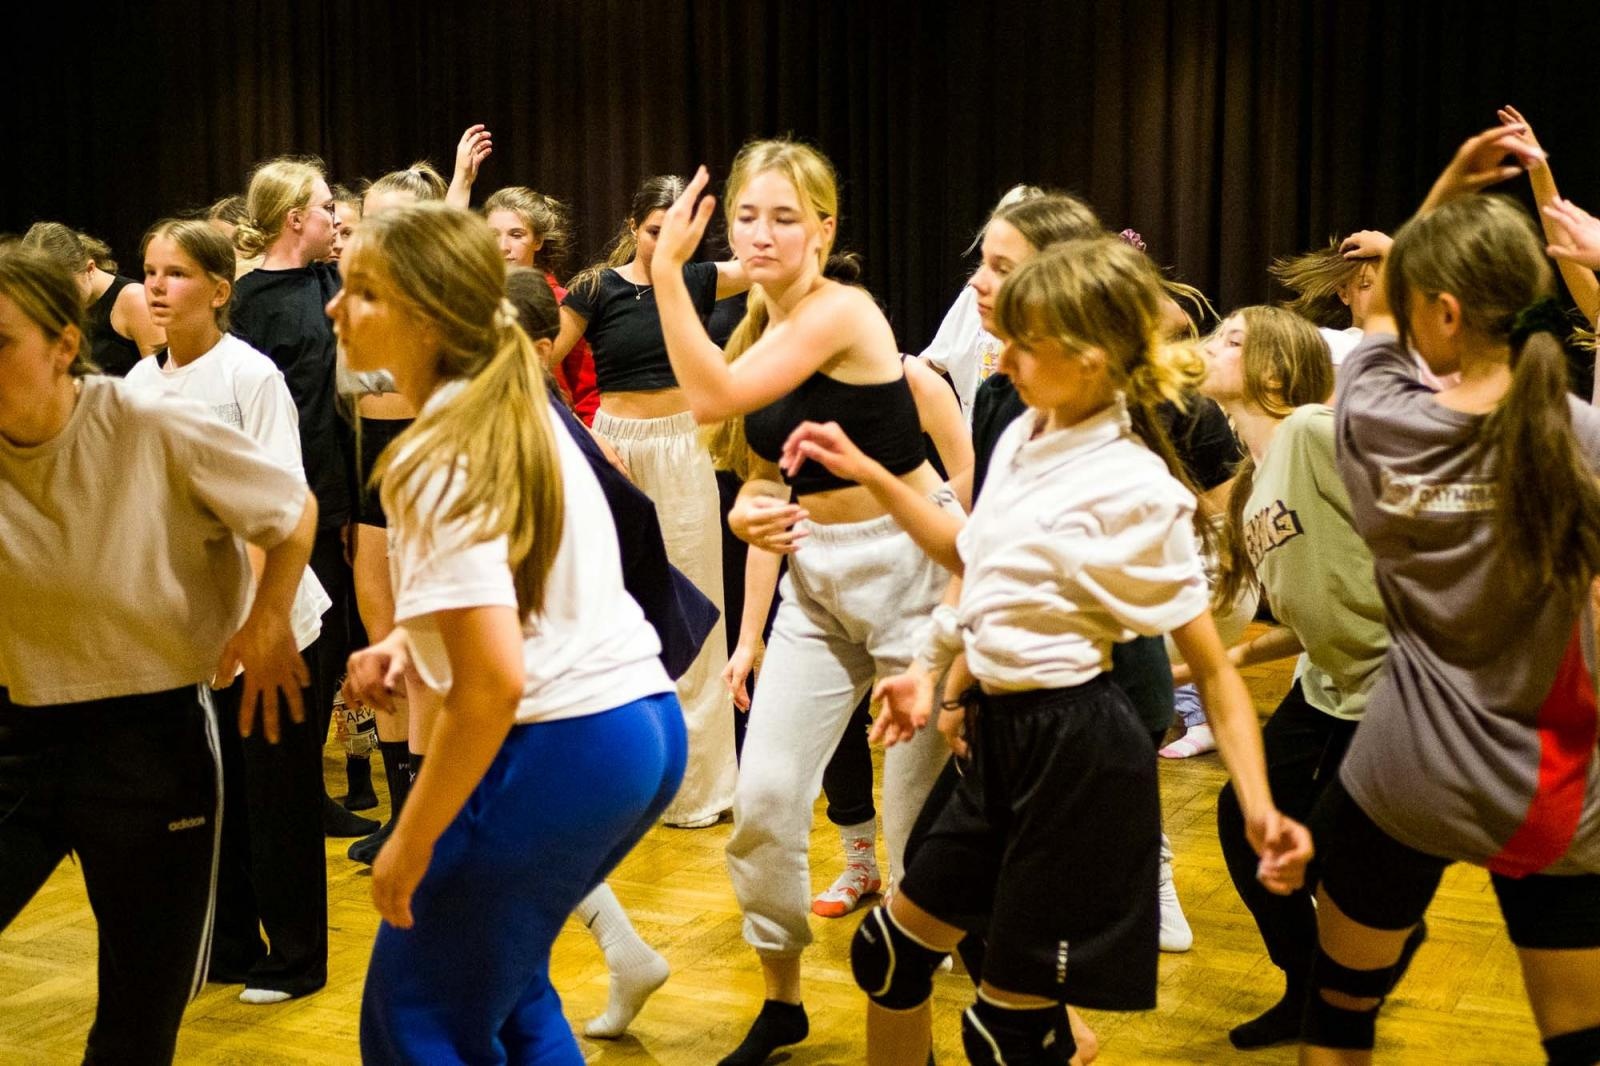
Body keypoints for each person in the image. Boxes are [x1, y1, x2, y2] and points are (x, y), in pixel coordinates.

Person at [823, 236, 1311, 1066]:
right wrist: (923, 661)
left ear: (1088, 358)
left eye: (1021, 341)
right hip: (1001, 734)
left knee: (1007, 1033)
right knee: (890, 955)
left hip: (1079, 755)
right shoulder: (1026, 435)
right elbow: (976, 560)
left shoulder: (1137, 488)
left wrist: (1261, 808)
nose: (1000, 357)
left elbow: (1219, 674)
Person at [331, 200, 685, 1065]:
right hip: (642, 724)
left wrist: (409, 840)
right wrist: (413, 640)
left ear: (424, 315)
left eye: (362, 293)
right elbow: (530, 589)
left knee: (414, 1020)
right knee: (511, 992)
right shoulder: (516, 404)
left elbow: (492, 683)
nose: (336, 310)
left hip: (563, 744)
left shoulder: (437, 450)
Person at [651, 139, 958, 1065]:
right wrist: (750, 539)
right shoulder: (760, 326)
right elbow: (759, 486)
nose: (763, 233)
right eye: (748, 215)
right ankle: (783, 1000)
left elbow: (706, 398)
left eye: (787, 216)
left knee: (912, 837)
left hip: (911, 568)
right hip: (819, 581)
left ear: (825, 230)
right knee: (767, 800)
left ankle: (923, 1033)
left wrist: (667, 269)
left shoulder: (841, 312)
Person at [1301, 125, 1600, 1066]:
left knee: (1340, 1011)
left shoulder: (1377, 418)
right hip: (1558, 794)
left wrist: (1444, 184)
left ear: (1441, 312)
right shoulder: (1585, 438)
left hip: (1404, 782)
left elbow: (1381, 316)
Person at [0, 239, 317, 1064]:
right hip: (18, 730)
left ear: (64, 345)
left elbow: (290, 510)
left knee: (137, 1026)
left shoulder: (147, 418)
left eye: (1, 343)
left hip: (150, 741)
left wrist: (268, 619)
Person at [127, 218, 336, 1004]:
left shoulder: (250, 377)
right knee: (220, 801)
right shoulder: (140, 386)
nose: (155, 286)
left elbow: (279, 508)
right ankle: (233, 946)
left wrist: (254, 627)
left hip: (271, 622)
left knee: (278, 801)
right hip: (194, 628)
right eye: (148, 271)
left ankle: (297, 959)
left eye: (175, 273)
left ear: (219, 291)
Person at [1185, 305, 1399, 1050]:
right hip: (1323, 683)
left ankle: (1373, 950)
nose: (1213, 347)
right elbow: (1315, 593)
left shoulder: (1312, 429)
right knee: (1244, 823)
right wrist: (1240, 655)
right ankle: (1307, 982)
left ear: (1275, 371)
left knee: (1345, 858)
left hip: (1391, 689)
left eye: (1234, 339)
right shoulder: (1247, 486)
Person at [553, 174, 750, 829]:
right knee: (616, 607)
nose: (665, 245)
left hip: (684, 444)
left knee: (697, 605)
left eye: (678, 234)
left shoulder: (696, 278)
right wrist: (576, 438)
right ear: (633, 226)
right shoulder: (596, 288)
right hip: (617, 449)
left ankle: (702, 788)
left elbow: (771, 265)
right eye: (654, 232)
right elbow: (535, 357)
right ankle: (621, 784)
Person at [230, 155, 376, 839]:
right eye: (325, 209)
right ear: (295, 220)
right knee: (300, 646)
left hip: (335, 500)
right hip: (284, 505)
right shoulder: (248, 304)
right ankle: (284, 794)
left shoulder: (329, 280)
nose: (334, 218)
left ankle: (301, 787)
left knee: (335, 642)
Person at [485, 185, 601, 424]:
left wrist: (591, 446)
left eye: (516, 235)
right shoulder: (473, 297)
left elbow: (588, 389)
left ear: (538, 240)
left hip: (550, 431)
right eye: (493, 235)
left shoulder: (565, 303)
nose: (502, 246)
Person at [22, 220, 164, 375]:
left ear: (89, 269)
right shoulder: (47, 309)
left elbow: (161, 385)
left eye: (63, 289)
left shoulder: (135, 300)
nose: (53, 300)